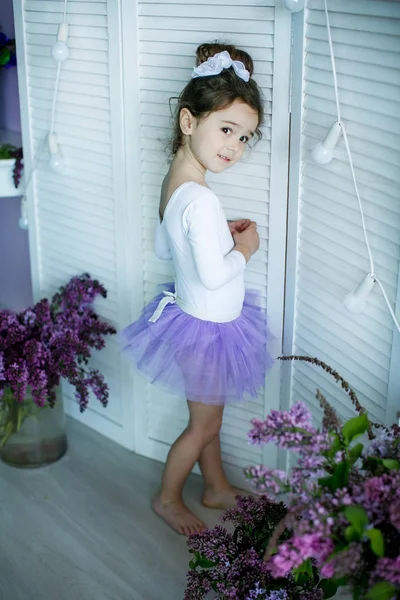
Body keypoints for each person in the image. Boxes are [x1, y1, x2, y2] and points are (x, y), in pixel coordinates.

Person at [120, 43, 274, 536]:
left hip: (193, 322)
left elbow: (168, 251)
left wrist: (216, 235)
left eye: (246, 136)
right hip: (209, 327)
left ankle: (216, 487)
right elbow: (213, 275)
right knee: (204, 424)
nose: (236, 146)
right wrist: (246, 247)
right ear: (189, 122)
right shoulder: (201, 199)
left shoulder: (177, 183)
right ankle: (168, 499)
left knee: (209, 415)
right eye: (226, 129)